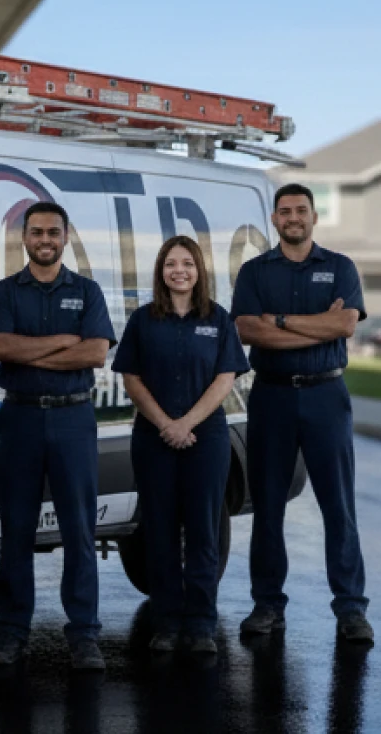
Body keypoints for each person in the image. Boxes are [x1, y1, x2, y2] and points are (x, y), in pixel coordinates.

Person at [229, 182, 374, 645]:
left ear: (314, 217)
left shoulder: (339, 267)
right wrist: (317, 328)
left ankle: (351, 610)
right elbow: (249, 330)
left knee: (339, 507)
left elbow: (345, 323)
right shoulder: (255, 272)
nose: (293, 217)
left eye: (301, 210)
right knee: (268, 507)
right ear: (274, 219)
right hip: (271, 397)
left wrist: (283, 322)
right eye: (285, 210)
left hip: (326, 397)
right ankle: (267, 605)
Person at [0, 201, 116, 671]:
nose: (44, 240)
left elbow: (95, 352)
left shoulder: (87, 291)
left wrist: (30, 352)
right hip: (20, 419)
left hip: (74, 419)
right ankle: (11, 632)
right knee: (16, 529)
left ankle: (84, 636)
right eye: (36, 232)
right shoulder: (4, 292)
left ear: (65, 236)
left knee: (80, 530)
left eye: (53, 232)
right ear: (24, 238)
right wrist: (63, 342)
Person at [111, 235, 250, 654]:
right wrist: (165, 424)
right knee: (160, 530)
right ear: (161, 271)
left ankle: (202, 624)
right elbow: (131, 379)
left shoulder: (219, 319)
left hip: (205, 438)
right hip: (153, 439)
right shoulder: (143, 320)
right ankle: (167, 622)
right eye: (171, 264)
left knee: (204, 530)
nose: (179, 271)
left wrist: (185, 423)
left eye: (187, 264)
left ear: (198, 271)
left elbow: (226, 378)